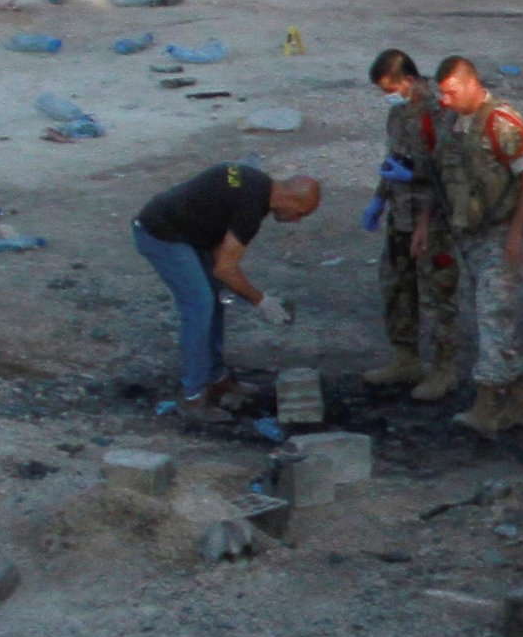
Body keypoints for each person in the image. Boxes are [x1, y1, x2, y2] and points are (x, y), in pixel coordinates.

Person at [131, 156, 324, 415]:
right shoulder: (251, 208)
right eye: (300, 213)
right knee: (199, 305)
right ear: (291, 199)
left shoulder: (257, 183)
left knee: (214, 298)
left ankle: (217, 378)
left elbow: (218, 239)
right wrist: (261, 301)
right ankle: (194, 395)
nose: (297, 220)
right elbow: (225, 268)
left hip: (188, 234)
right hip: (161, 234)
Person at [428, 54, 523, 437]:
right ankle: (521, 401)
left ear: (472, 84)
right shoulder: (450, 122)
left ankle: (487, 402)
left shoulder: (502, 123)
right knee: (494, 315)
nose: (445, 100)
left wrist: (516, 232)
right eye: (441, 93)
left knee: (492, 314)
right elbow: (441, 175)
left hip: (496, 232)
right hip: (468, 233)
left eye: (451, 92)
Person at [360, 50, 461, 402]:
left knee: (437, 294)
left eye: (390, 88)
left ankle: (443, 368)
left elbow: (448, 169)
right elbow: (394, 157)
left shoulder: (441, 110)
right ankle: (406, 358)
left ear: (408, 81)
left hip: (433, 218)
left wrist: (414, 175)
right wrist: (379, 198)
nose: (388, 96)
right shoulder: (398, 112)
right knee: (396, 285)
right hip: (400, 212)